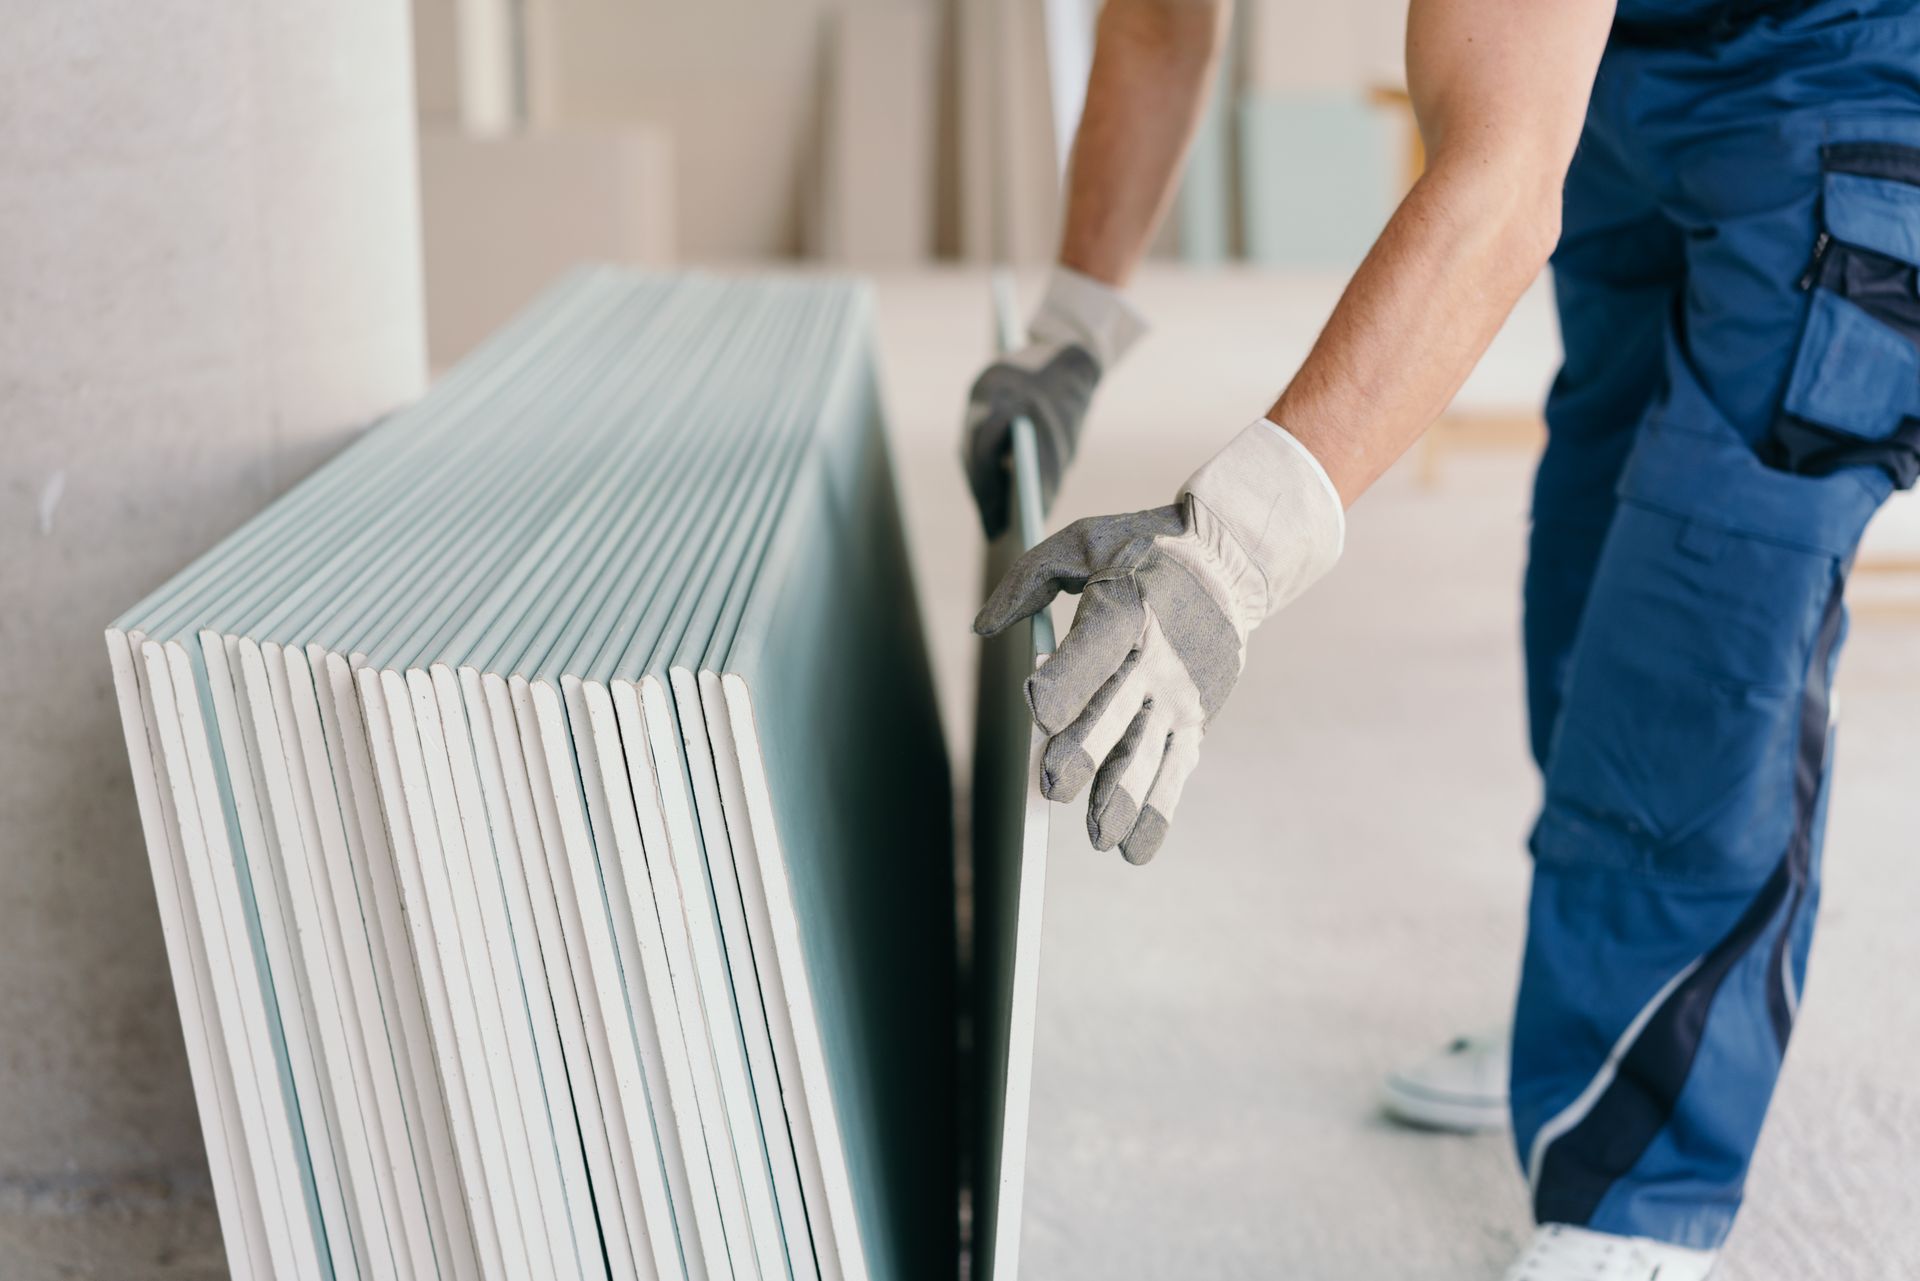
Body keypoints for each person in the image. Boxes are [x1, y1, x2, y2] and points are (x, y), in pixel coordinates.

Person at [963, 0, 1920, 1275]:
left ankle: (1635, 1196)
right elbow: (1155, 27)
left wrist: (1229, 553)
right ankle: (1579, 1008)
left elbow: (1505, 183)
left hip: (1845, 69)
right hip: (1626, 76)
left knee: (1704, 606)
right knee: (1588, 556)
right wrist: (1073, 335)